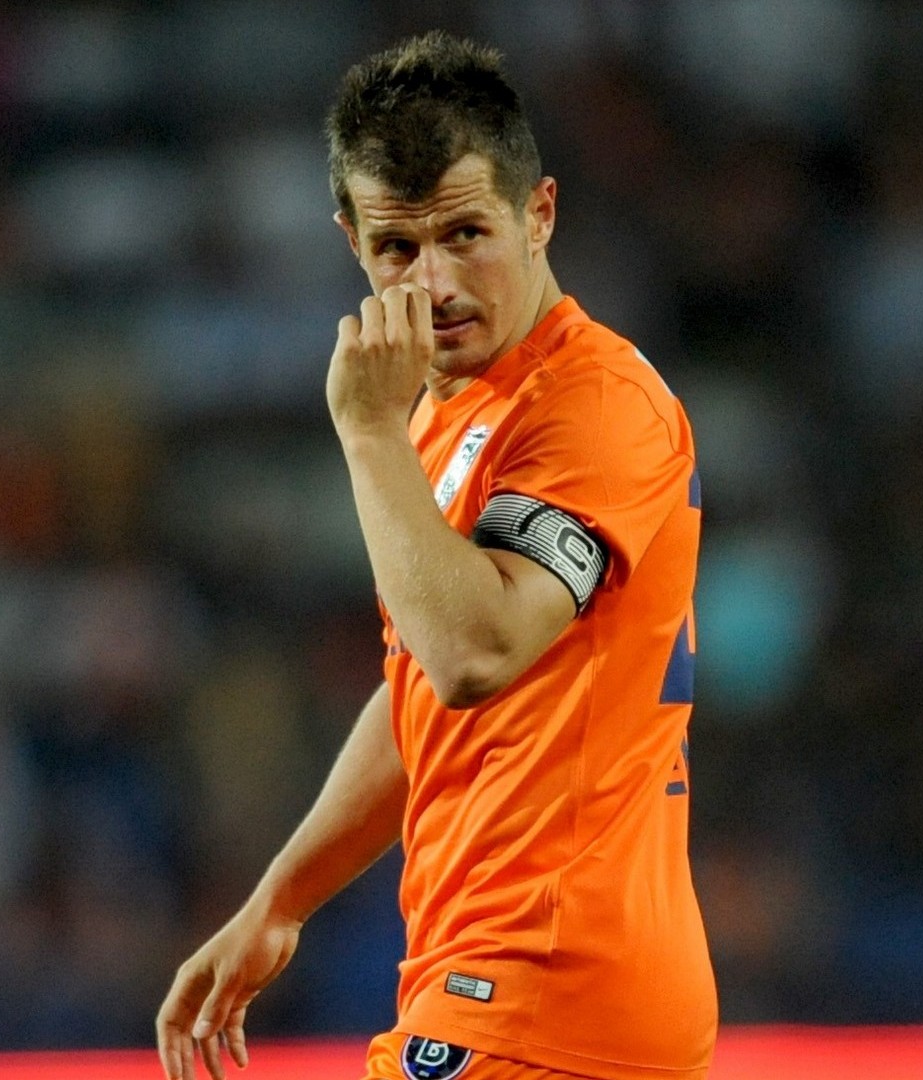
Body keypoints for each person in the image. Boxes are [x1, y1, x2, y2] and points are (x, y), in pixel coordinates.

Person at [157, 31, 716, 1080]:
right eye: (398, 250)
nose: (438, 283)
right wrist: (281, 899)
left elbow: (475, 652)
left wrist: (363, 433)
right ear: (351, 244)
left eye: (467, 233)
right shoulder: (447, 412)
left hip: (550, 995)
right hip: (500, 992)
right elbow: (420, 689)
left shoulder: (594, 407)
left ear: (540, 212)